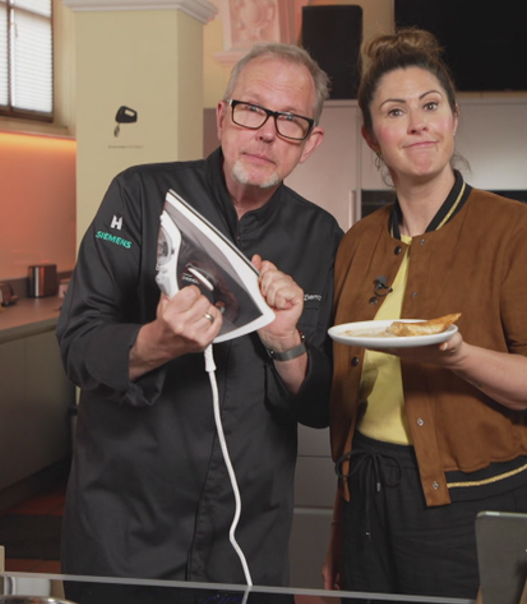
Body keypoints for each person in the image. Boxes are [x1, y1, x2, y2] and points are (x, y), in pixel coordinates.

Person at [55, 42, 343, 587]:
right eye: (252, 109)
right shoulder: (139, 194)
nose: (265, 132)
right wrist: (157, 342)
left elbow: (324, 404)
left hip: (246, 532)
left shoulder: (323, 237)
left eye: (290, 121)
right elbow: (77, 346)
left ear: (310, 143)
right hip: (126, 527)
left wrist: (286, 343)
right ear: (223, 116)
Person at [322, 29, 527, 599]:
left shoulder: (517, 230)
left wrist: (458, 356)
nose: (417, 123)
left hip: (474, 506)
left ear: (453, 119)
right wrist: (341, 528)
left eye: (430, 105)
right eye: (395, 111)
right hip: (366, 497)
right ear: (371, 135)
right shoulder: (357, 244)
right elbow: (350, 405)